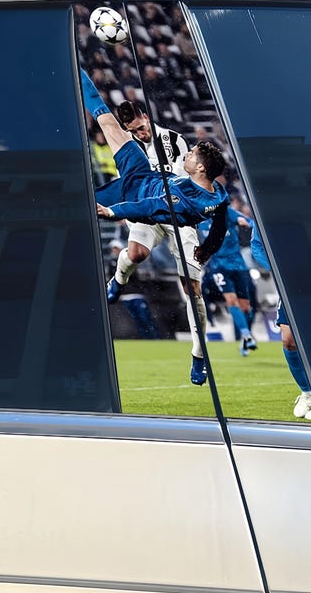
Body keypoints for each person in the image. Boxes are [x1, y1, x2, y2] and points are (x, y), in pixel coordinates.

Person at [80, 67, 229, 385]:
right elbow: (216, 213)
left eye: (141, 129)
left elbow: (158, 206)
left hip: (171, 213)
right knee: (135, 254)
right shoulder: (137, 147)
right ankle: (118, 281)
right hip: (148, 194)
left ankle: (199, 355)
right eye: (133, 130)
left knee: (192, 289)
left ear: (147, 120)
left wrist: (113, 211)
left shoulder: (174, 144)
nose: (139, 134)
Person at [250, 226, 311, 421]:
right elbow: (257, 246)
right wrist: (278, 268)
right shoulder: (264, 207)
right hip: (290, 283)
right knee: (289, 340)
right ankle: (307, 394)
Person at [199, 206, 257, 356]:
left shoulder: (226, 212)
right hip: (218, 267)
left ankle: (245, 338)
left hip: (238, 265)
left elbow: (244, 220)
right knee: (231, 301)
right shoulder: (199, 218)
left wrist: (244, 222)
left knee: (246, 308)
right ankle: (247, 336)